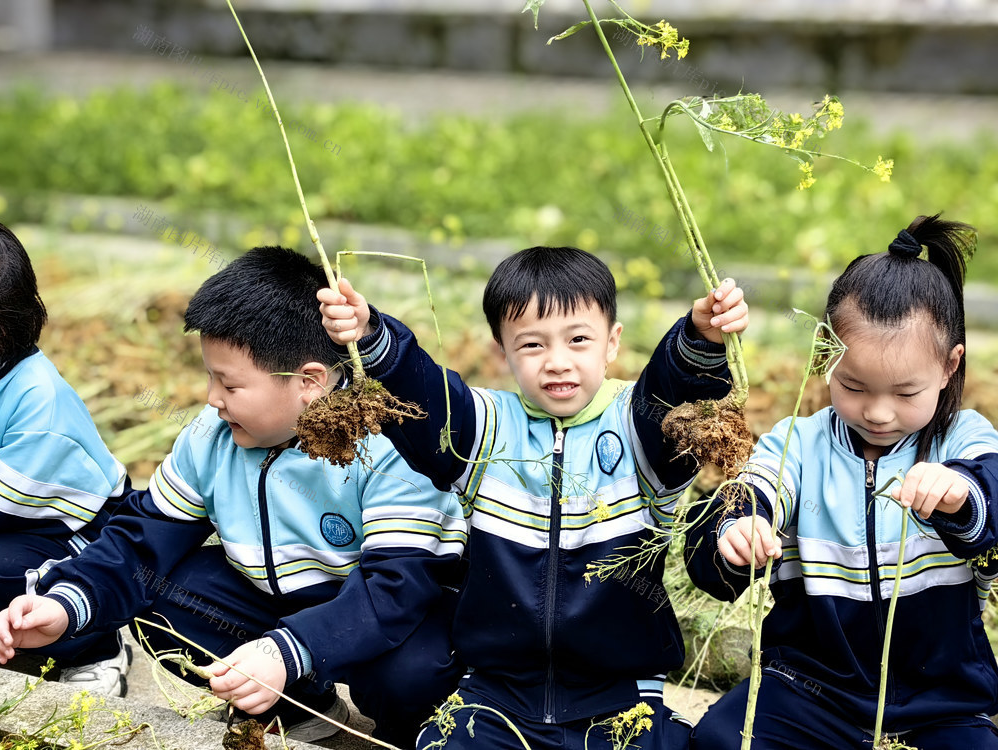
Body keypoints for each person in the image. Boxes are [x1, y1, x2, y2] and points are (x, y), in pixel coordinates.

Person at [0, 246, 467, 748]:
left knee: (410, 676)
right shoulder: (213, 435)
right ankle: (298, 707)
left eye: (229, 384)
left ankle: (412, 734)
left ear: (309, 381)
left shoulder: (389, 441)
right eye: (210, 376)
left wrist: (289, 650)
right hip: (276, 606)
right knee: (161, 597)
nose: (212, 398)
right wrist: (67, 604)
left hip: (390, 616)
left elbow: (395, 587)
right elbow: (141, 540)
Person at [318, 246, 749, 749]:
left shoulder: (639, 429)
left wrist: (699, 342)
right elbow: (425, 397)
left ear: (612, 342)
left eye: (579, 339)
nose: (557, 362)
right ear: (502, 351)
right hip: (493, 697)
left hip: (623, 700)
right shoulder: (484, 430)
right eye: (531, 345)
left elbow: (674, 393)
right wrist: (372, 337)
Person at [685, 214, 998, 749]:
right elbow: (749, 494)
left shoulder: (963, 439)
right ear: (826, 353)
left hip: (940, 704)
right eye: (853, 386)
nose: (877, 412)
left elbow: (990, 499)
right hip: (808, 692)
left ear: (950, 366)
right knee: (721, 739)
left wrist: (959, 494)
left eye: (905, 393)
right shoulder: (799, 444)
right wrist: (735, 530)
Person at [0, 220, 132, 696]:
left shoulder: (40, 401)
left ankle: (94, 646)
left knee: (5, 573)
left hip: (79, 532)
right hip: (21, 518)